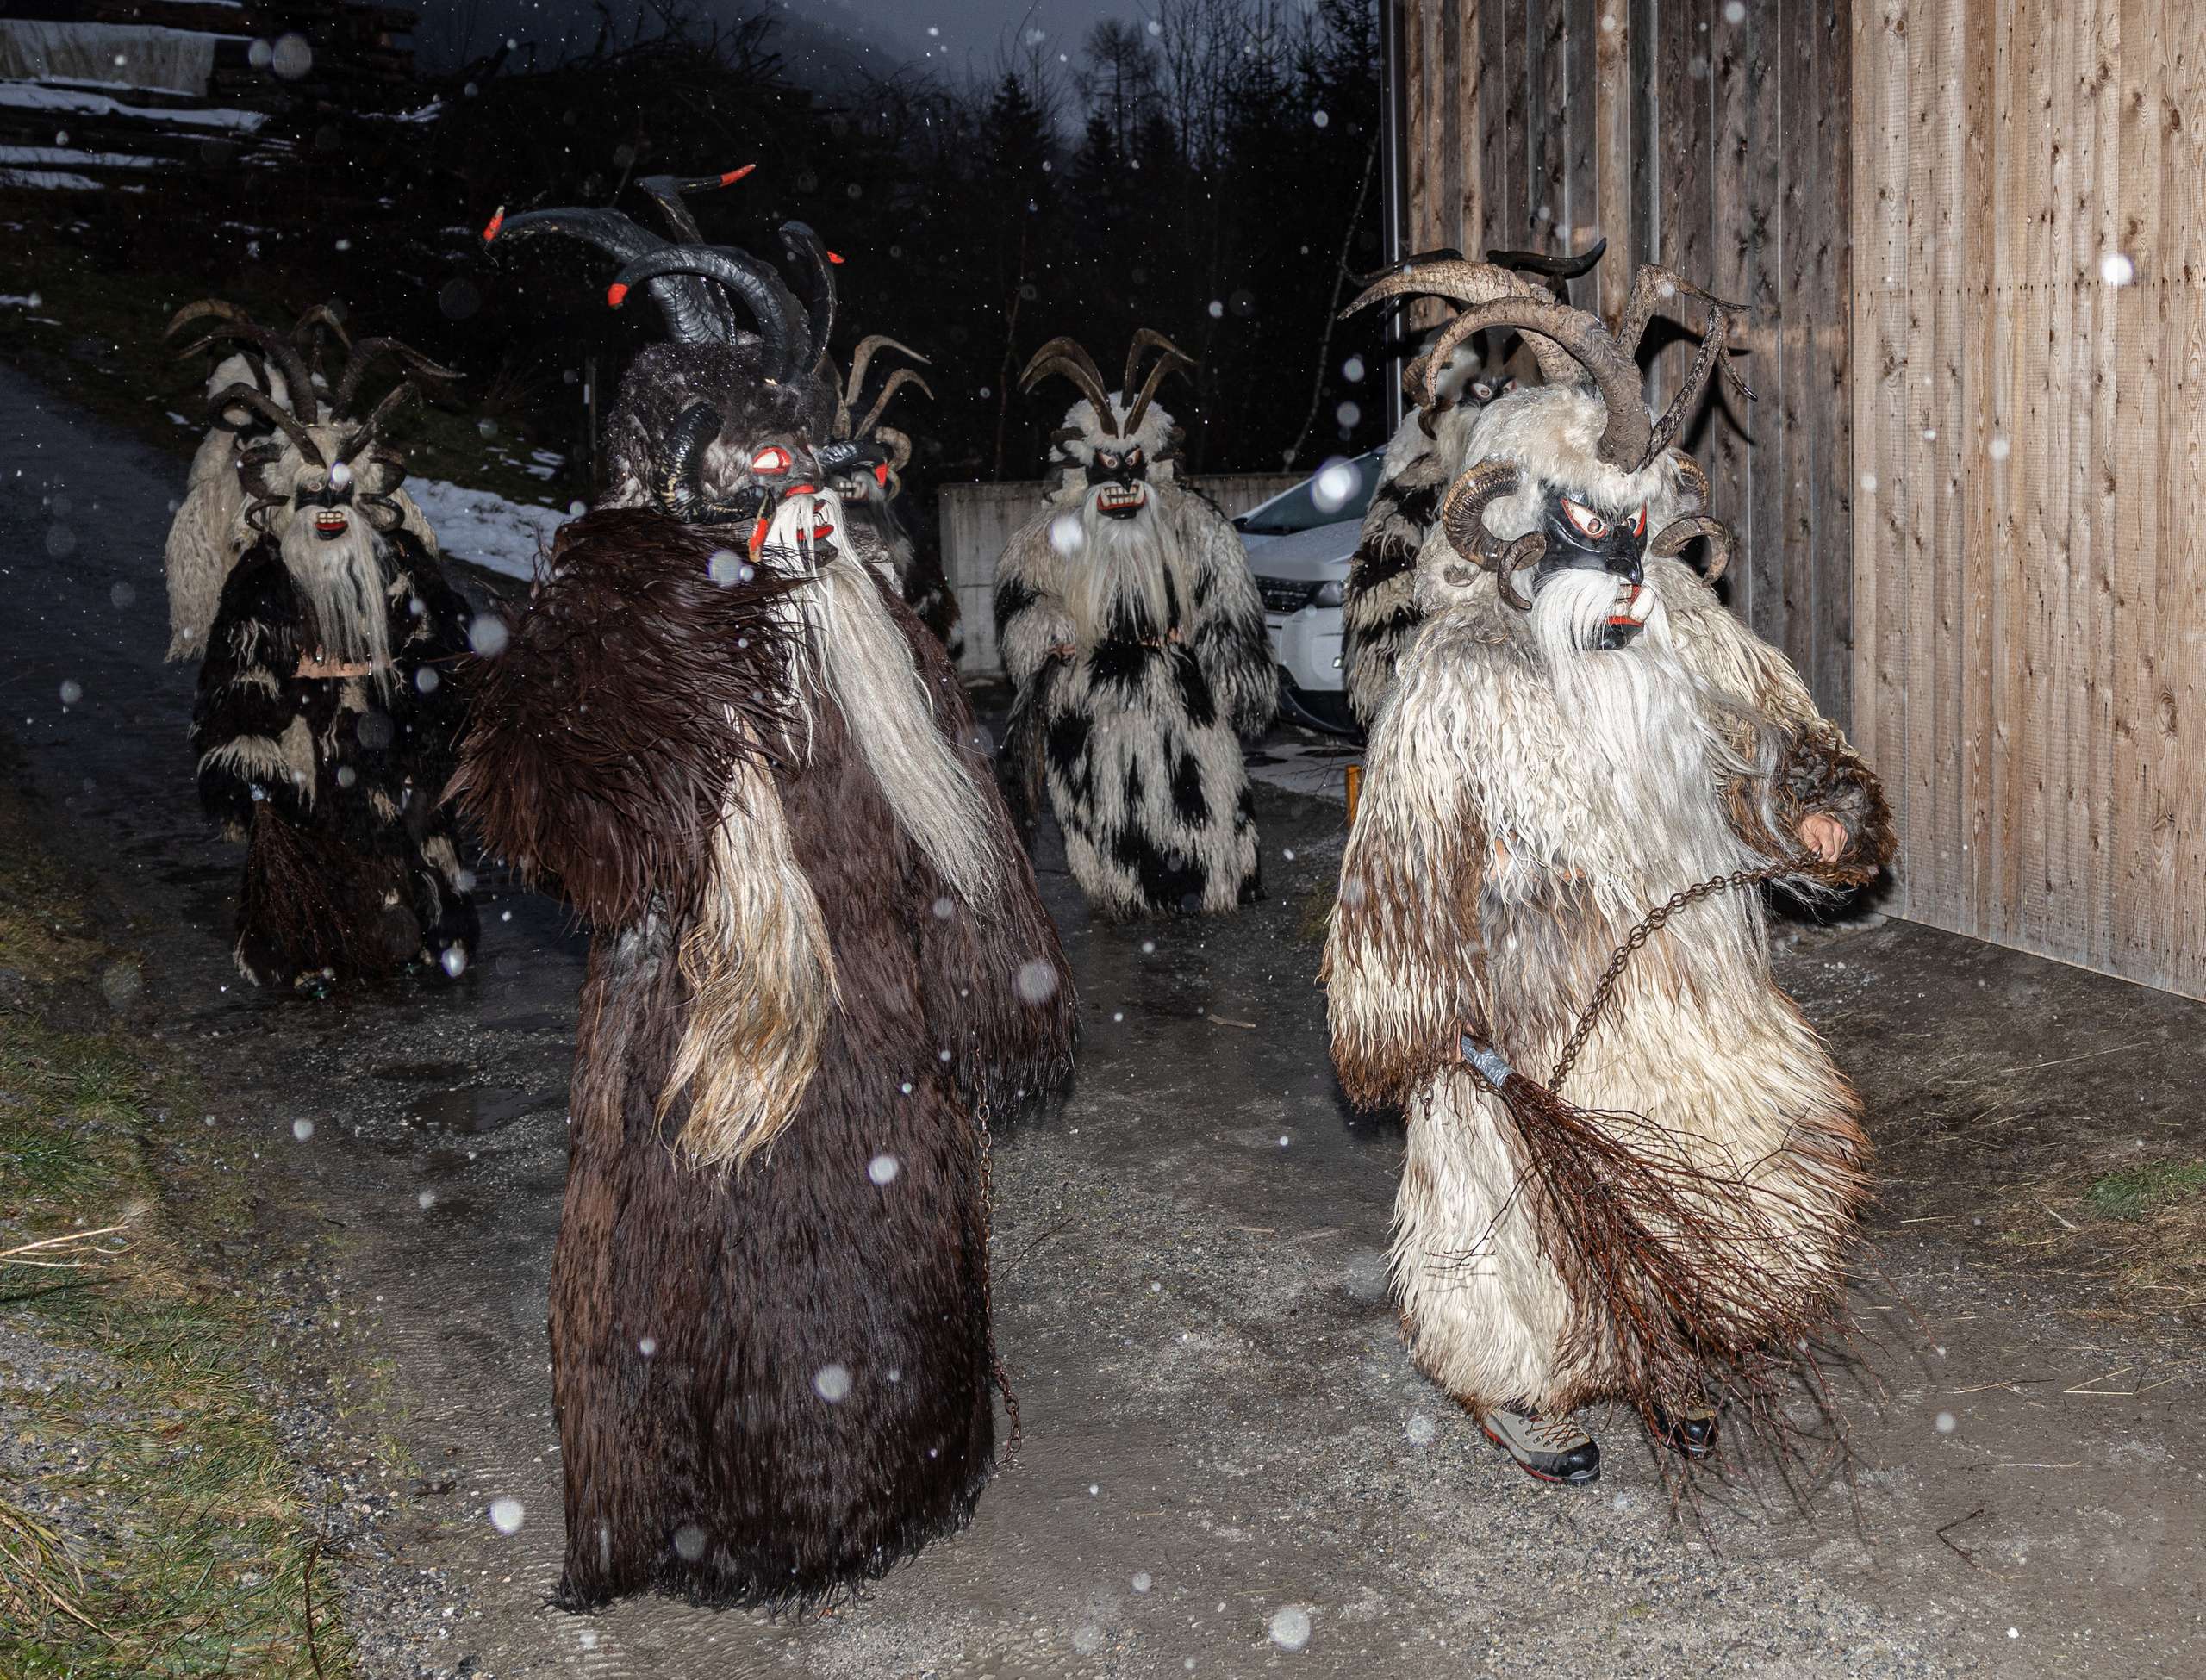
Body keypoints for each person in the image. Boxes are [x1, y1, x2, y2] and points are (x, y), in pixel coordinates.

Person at [458, 187, 1076, 1607]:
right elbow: (566, 826)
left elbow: (961, 826)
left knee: (882, 1276)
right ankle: (725, 1529)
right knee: (716, 1301)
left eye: (806, 472)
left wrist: (985, 992)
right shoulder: (617, 633)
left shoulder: (872, 625)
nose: (806, 503)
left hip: (878, 1042)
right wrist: (691, 603)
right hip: (707, 1044)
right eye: (762, 474)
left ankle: (889, 1492)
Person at [1324, 271, 1893, 1484]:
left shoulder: (1681, 624)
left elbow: (1771, 739)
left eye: (1639, 532)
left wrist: (1814, 808)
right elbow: (1402, 876)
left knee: (1696, 1153)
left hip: (1685, 991)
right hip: (1524, 1015)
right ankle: (1520, 1376)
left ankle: (1663, 1332)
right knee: (1510, 1199)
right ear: (1513, 517)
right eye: (1595, 533)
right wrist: (1413, 1019)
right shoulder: (1460, 677)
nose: (1628, 567)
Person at [186, 336, 476, 991]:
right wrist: (257, 770)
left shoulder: (398, 562)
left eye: (339, 491)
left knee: (405, 852)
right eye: (312, 490)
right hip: (307, 755)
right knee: (309, 859)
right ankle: (314, 951)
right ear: (289, 492)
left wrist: (412, 711)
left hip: (384, 754)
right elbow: (234, 683)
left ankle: (420, 936)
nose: (326, 509)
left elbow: (441, 656)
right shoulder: (262, 577)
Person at [994, 332, 1275, 916]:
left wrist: (1234, 675)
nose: (1122, 478)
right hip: (1092, 712)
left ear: (1154, 459)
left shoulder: (1193, 523)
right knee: (1116, 848)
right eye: (1107, 462)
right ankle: (1129, 918)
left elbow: (1231, 606)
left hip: (1184, 707)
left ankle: (1208, 912)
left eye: (1133, 461)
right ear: (1082, 464)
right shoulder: (1049, 537)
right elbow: (1020, 606)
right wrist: (1051, 633)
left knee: (1205, 836)